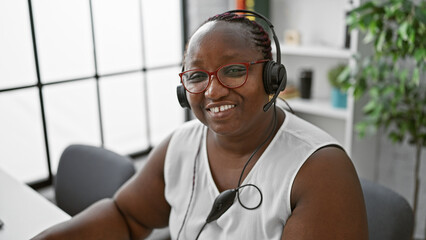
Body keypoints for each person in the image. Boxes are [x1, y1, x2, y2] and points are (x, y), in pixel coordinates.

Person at [32, 10, 368, 240]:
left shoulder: (321, 170)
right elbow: (125, 216)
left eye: (234, 70)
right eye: (196, 76)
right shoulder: (180, 145)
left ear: (272, 76)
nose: (213, 89)